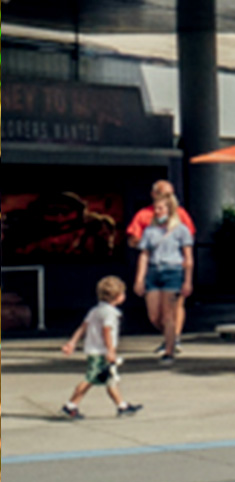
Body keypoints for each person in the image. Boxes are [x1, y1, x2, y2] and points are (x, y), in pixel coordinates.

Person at [127, 179, 196, 362]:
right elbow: (136, 243)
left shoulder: (181, 221)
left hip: (173, 270)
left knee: (171, 311)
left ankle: (171, 346)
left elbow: (188, 247)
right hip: (154, 270)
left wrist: (188, 278)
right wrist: (139, 278)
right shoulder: (146, 220)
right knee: (154, 315)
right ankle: (169, 336)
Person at [60, 277, 144, 420]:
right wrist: (110, 350)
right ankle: (70, 405)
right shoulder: (110, 313)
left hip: (94, 351)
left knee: (111, 380)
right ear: (118, 297)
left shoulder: (95, 310)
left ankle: (122, 406)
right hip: (101, 353)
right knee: (90, 379)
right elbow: (107, 331)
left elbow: (83, 327)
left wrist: (72, 342)